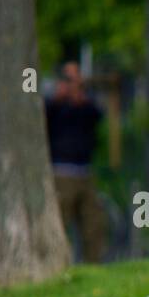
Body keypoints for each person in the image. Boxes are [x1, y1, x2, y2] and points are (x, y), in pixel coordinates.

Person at [45, 61, 107, 262]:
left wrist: (81, 99)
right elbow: (46, 120)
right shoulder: (54, 105)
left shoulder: (86, 105)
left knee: (93, 224)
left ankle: (93, 266)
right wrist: (60, 99)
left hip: (85, 172)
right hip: (61, 173)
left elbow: (97, 116)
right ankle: (59, 265)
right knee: (60, 224)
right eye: (69, 79)